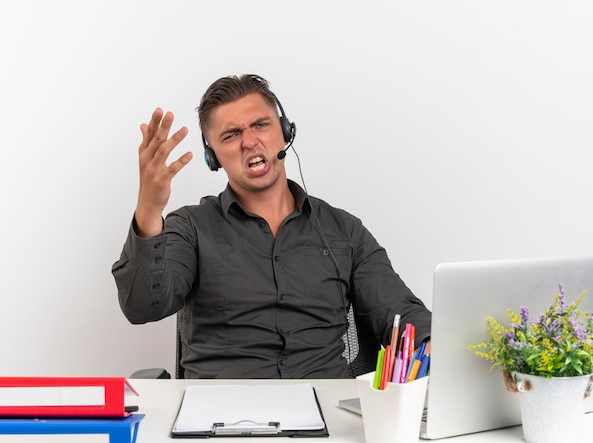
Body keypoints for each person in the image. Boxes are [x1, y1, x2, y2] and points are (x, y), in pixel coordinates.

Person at [112, 74, 431, 379]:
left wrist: (433, 344)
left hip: (326, 412)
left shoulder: (343, 230)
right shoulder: (191, 227)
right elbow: (142, 307)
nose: (250, 141)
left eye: (260, 125)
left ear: (285, 132)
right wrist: (149, 210)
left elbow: (399, 313)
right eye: (231, 135)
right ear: (214, 158)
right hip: (221, 414)